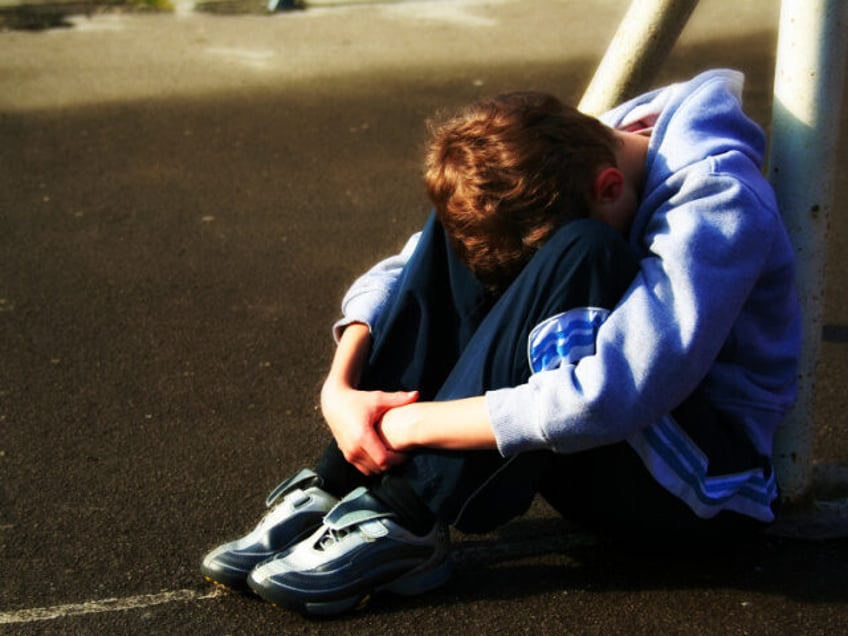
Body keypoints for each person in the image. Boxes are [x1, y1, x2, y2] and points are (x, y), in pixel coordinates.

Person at [201, 69, 801, 616]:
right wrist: (341, 391)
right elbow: (402, 268)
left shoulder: (718, 200)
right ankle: (344, 479)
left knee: (581, 250)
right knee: (462, 218)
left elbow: (610, 396)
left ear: (611, 185)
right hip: (595, 445)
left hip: (703, 489)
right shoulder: (583, 151)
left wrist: (407, 427)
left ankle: (405, 515)